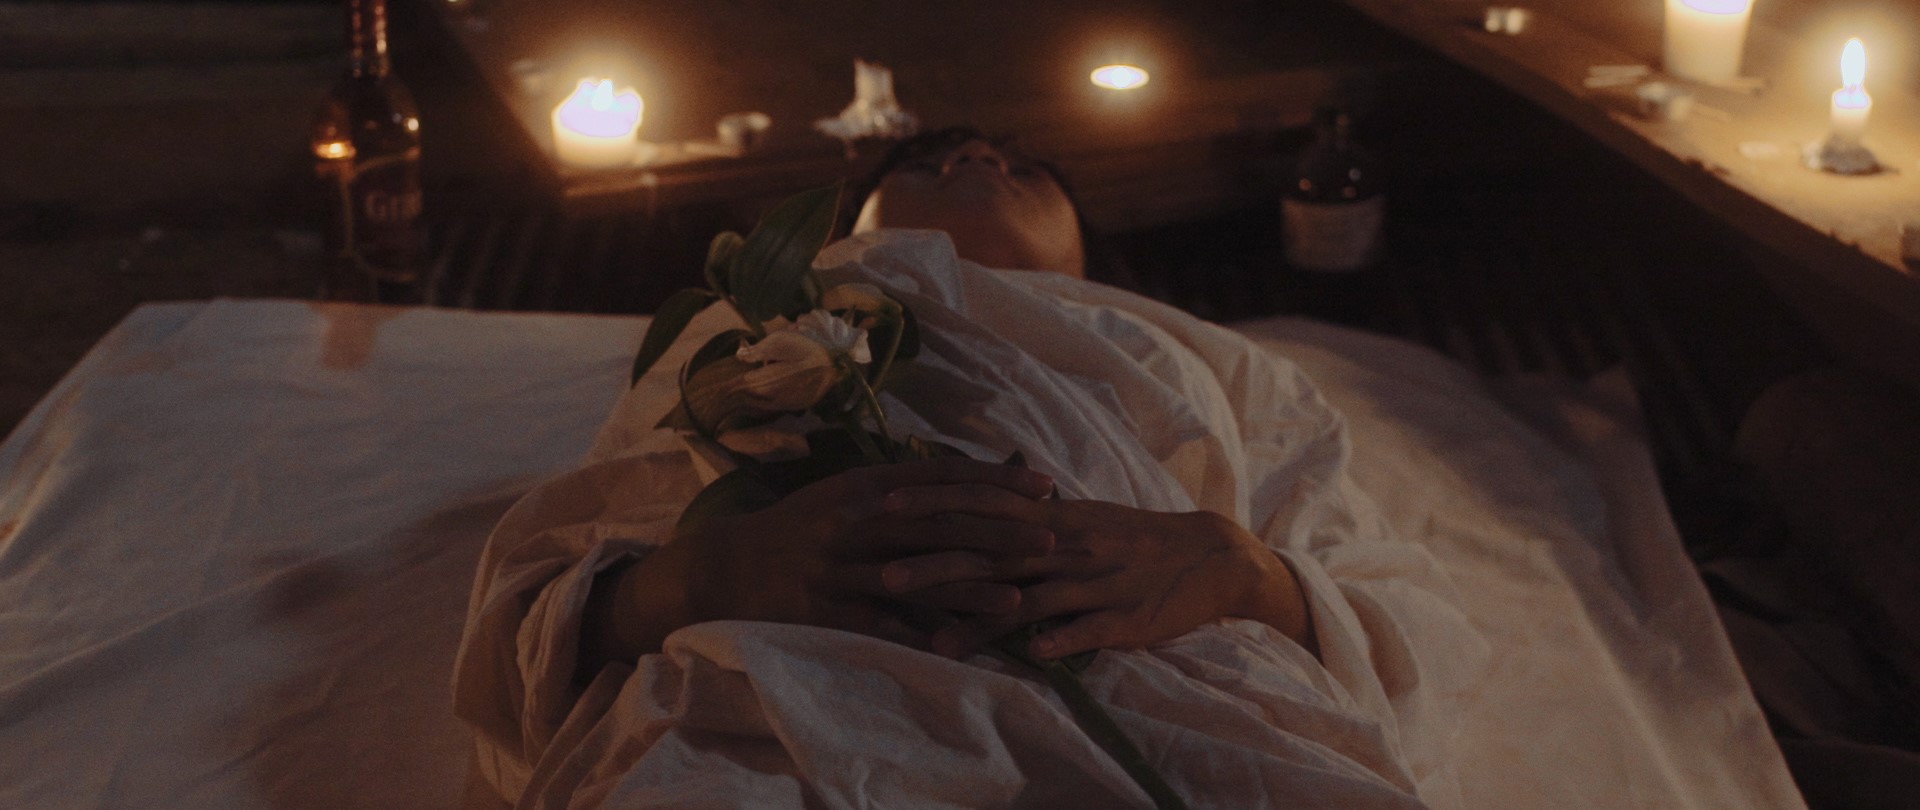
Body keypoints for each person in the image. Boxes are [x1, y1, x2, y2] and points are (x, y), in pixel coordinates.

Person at [455, 125, 1478, 808]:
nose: (979, 153)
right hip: (779, 692)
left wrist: (1245, 572)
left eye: (1023, 165)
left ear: (1083, 262)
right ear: (842, 236)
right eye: (928, 160)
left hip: (1165, 693)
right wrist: (705, 576)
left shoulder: (1190, 354)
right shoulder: (744, 342)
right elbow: (524, 630)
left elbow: (1401, 625)